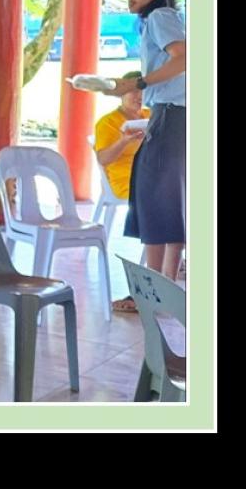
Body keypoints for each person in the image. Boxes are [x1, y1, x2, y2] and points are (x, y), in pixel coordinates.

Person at [105, 0, 186, 283]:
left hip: (172, 114)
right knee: (171, 199)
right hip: (175, 114)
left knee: (153, 197)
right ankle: (164, 283)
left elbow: (183, 58)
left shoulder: (159, 18)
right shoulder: (163, 19)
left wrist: (138, 83)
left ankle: (153, 287)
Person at [94, 70, 150, 312]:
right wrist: (125, 140)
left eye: (143, 90)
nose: (139, 96)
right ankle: (155, 277)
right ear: (121, 94)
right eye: (134, 91)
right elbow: (103, 158)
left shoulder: (151, 116)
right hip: (126, 181)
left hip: (151, 174)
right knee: (164, 202)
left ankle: (172, 262)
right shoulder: (108, 122)